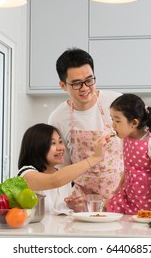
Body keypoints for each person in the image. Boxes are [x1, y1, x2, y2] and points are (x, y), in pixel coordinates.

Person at [48, 47, 123, 204]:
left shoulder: (117, 102)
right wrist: (69, 196)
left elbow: (138, 144)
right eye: (76, 84)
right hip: (83, 203)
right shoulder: (57, 118)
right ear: (63, 85)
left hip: (122, 196)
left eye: (89, 80)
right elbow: (63, 166)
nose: (85, 88)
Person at [106, 94, 151, 215]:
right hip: (130, 193)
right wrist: (118, 188)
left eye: (117, 120)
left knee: (148, 225)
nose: (113, 125)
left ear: (134, 123)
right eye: (112, 119)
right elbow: (127, 169)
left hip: (149, 196)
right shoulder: (125, 139)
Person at [17, 123, 111, 215]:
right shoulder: (26, 174)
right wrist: (95, 158)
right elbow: (54, 180)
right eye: (53, 143)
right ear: (37, 147)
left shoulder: (63, 177)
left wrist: (73, 207)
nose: (60, 148)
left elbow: (59, 213)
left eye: (60, 142)